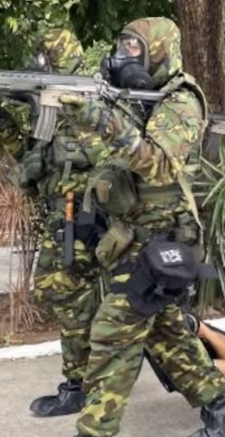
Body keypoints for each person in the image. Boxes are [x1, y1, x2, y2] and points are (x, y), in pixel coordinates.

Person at [58, 17, 225, 437]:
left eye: (134, 49)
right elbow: (110, 155)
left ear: (159, 53)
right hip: (133, 237)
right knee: (165, 333)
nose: (122, 56)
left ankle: (94, 431)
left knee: (112, 334)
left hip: (163, 239)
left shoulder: (182, 101)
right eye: (121, 47)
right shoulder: (137, 99)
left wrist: (102, 119)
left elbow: (159, 164)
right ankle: (223, 406)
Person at [0, 29, 107, 417]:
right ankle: (86, 380)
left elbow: (101, 160)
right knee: (64, 296)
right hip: (63, 218)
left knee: (70, 297)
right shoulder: (50, 109)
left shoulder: (90, 106)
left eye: (43, 61)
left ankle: (82, 385)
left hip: (82, 219)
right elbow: (31, 161)